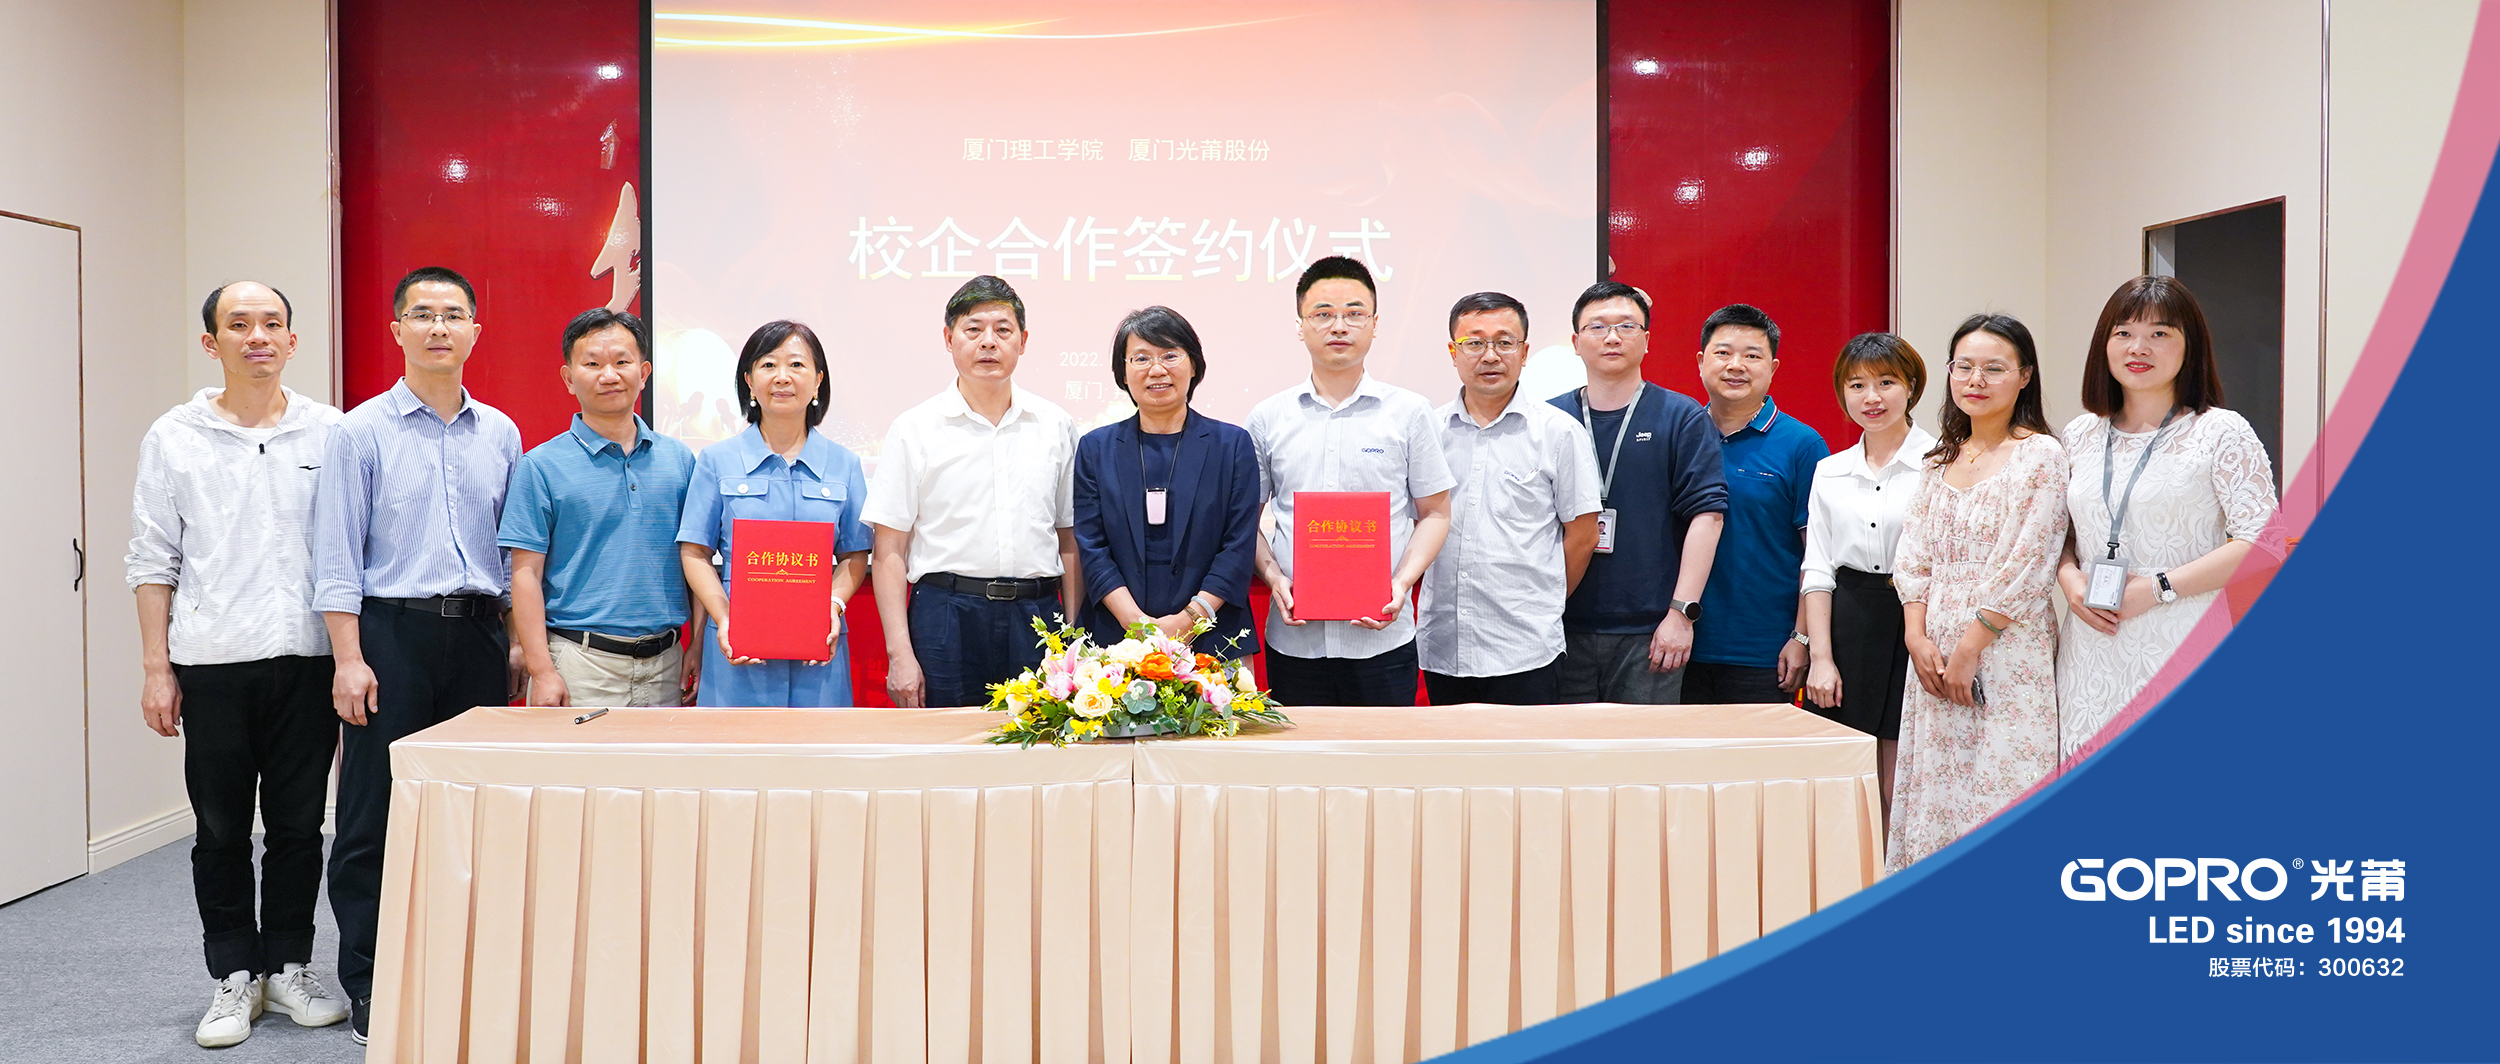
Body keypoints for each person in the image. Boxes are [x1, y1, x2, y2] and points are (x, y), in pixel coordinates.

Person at [127, 281, 351, 1047]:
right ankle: (233, 975)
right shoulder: (175, 436)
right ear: (211, 342)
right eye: (239, 324)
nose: (257, 336)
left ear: (292, 341)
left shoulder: (330, 431)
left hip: (307, 658)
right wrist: (157, 668)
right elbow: (152, 558)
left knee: (298, 825)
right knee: (220, 827)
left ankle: (287, 965)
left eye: (272, 323)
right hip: (212, 662)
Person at [314, 266, 522, 1043]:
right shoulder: (359, 432)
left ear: (475, 331)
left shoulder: (501, 433)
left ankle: (467, 970)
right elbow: (336, 555)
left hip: (478, 637)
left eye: (454, 314)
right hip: (389, 637)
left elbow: (510, 551)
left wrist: (514, 642)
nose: (439, 327)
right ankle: (372, 982)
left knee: (477, 808)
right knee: (373, 812)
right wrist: (348, 658)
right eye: (423, 314)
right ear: (397, 329)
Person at [2055, 276, 2280, 760]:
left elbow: (2264, 544)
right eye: (2123, 333)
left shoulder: (2220, 431)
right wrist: (2069, 579)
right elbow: (2061, 535)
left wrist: (2156, 588)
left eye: (2160, 333)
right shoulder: (2080, 434)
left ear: (2189, 346)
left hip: (2182, 637)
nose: (2139, 347)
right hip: (2091, 648)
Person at [1887, 313, 2068, 872]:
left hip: (2006, 647)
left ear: (2025, 376)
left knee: (2003, 784)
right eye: (1963, 367)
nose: (1976, 380)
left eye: (1994, 368)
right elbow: (1913, 555)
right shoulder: (1939, 459)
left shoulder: (2041, 455)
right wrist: (1915, 637)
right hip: (1932, 649)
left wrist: (1970, 648)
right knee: (1936, 791)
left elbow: (2031, 561)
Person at [866, 276, 1082, 708]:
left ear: (1023, 341)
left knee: (1040, 743)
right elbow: (889, 548)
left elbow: (1069, 539)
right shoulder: (914, 429)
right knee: (946, 745)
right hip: (946, 616)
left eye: (1002, 330)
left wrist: (1074, 637)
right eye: (973, 329)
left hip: (1037, 617)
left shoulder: (1055, 425)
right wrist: (899, 654)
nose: (988, 342)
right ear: (949, 339)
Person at [1248, 256, 1455, 706]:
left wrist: (1401, 583)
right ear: (1301, 326)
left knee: (1384, 752)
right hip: (1296, 640)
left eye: (1354, 313)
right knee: (1301, 752)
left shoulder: (1410, 412)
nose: (1339, 326)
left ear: (1375, 324)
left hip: (1383, 640)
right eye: (1322, 314)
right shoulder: (1268, 417)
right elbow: (1245, 521)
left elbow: (1436, 513)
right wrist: (1273, 576)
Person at [499, 308, 697, 707]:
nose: (609, 375)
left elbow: (697, 560)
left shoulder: (680, 460)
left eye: (622, 362)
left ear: (644, 372)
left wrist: (698, 649)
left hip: (667, 665)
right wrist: (543, 671)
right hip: (580, 667)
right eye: (592, 364)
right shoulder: (541, 466)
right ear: (569, 378)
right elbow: (525, 574)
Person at [1416, 291, 1602, 704]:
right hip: (1445, 643)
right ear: (1453, 352)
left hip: (1526, 647)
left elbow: (1584, 535)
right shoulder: (1427, 431)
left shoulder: (1558, 432)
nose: (1490, 356)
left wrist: (1541, 601)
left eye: (1504, 342)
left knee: (1526, 749)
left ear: (1524, 352)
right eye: (1474, 343)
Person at [1548, 281, 1727, 704]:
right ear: (1575, 342)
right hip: (1558, 626)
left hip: (1651, 631)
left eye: (1626, 326)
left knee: (1643, 746)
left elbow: (1708, 516)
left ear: (1647, 340)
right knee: (1564, 745)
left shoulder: (1681, 416)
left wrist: (1681, 614)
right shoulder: (1550, 419)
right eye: (1597, 327)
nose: (1612, 337)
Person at [678, 320, 874, 705]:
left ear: (818, 381)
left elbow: (855, 555)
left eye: (797, 365)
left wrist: (833, 605)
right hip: (737, 649)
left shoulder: (845, 465)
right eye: (768, 365)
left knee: (818, 744)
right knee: (735, 745)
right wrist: (724, 618)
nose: (782, 377)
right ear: (749, 381)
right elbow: (695, 552)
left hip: (819, 648)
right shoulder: (716, 461)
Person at [1800, 332, 1937, 821]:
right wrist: (1820, 658)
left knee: (1903, 780)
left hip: (1920, 619)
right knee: (1847, 780)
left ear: (1911, 386)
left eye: (1886, 382)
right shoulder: (1829, 471)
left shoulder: (1942, 462)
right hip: (1851, 621)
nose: (1871, 397)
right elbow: (1818, 567)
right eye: (1856, 385)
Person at [1070, 306, 1260, 654]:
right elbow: (1092, 547)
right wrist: (1136, 624)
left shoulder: (1231, 445)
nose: (1157, 369)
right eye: (1141, 358)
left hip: (1213, 633)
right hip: (1117, 638)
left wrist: (1190, 619)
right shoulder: (1096, 449)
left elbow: (1239, 545)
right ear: (1123, 373)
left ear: (1194, 365)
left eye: (1170, 355)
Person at [1686, 303, 1829, 704]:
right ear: (1701, 361)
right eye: (1723, 353)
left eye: (1752, 356)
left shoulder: (1802, 445)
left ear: (1773, 367)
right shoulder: (1680, 435)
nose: (1736, 365)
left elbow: (1817, 554)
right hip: (1680, 643)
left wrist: (1801, 637)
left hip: (1765, 652)